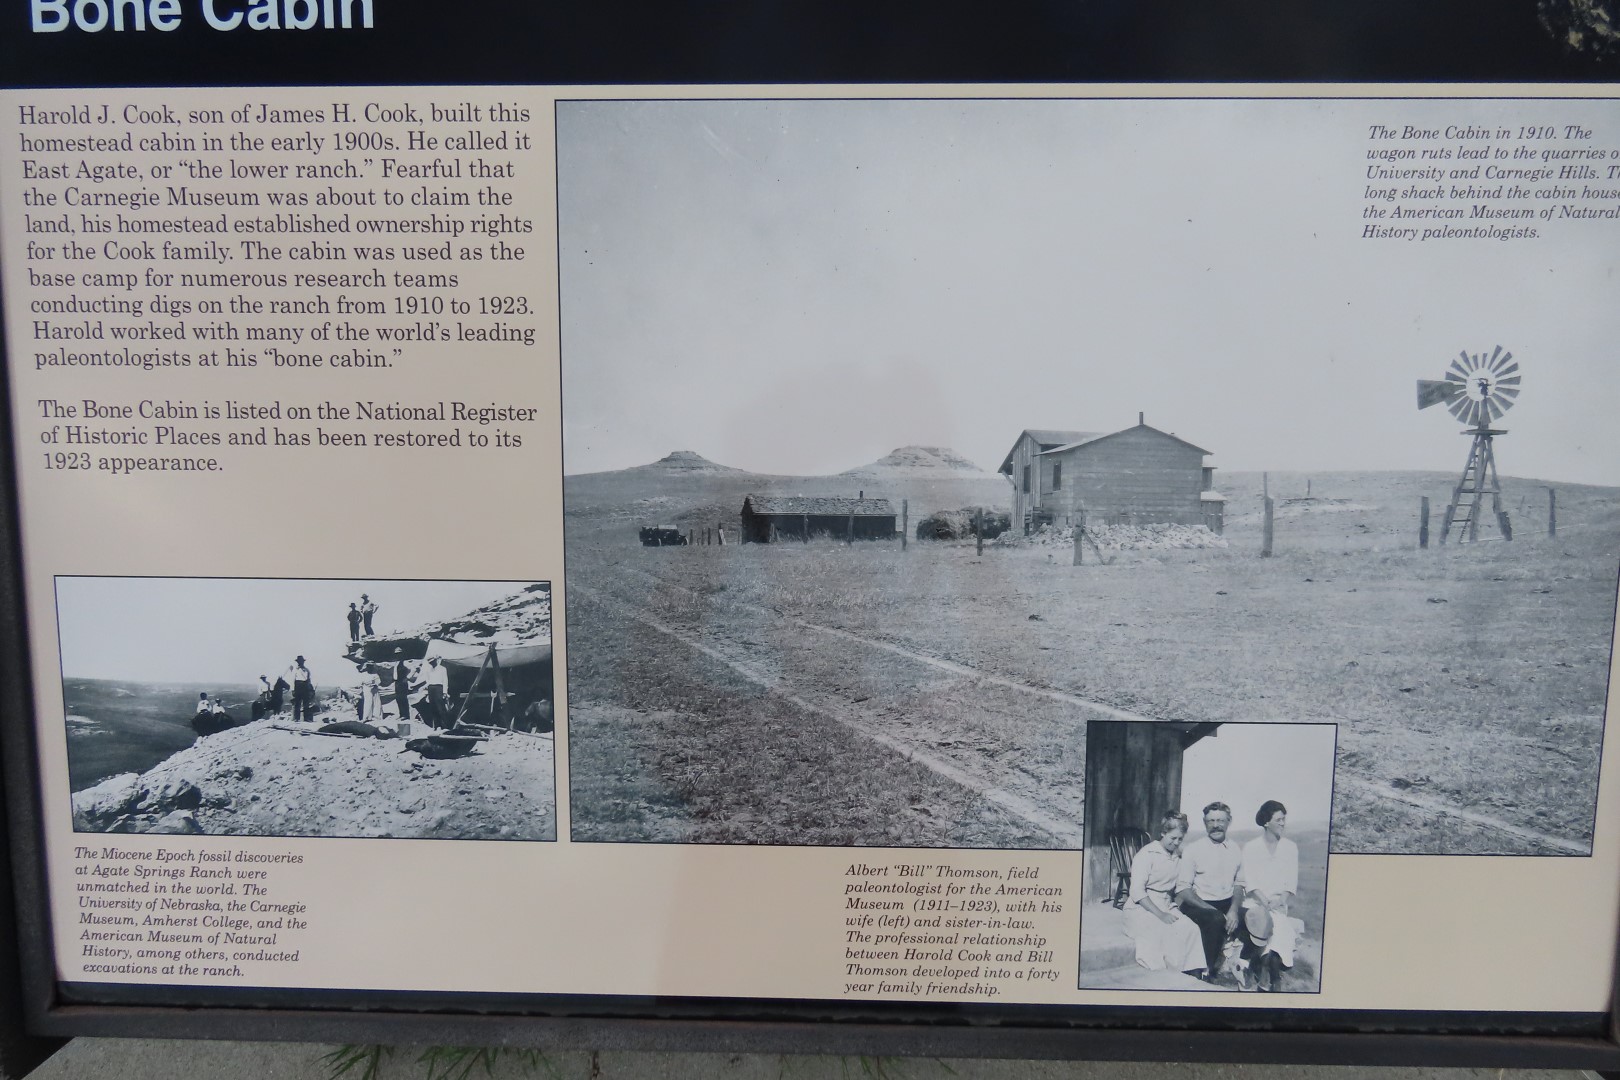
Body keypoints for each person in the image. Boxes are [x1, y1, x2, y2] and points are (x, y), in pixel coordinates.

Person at [1122, 810, 1207, 977]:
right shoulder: (1147, 854)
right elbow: (1137, 891)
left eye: (1180, 839)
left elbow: (1182, 884)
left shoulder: (1179, 855)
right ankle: (1167, 975)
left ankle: (1192, 973)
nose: (1176, 843)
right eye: (1172, 838)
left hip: (1166, 904)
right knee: (1161, 929)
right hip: (1141, 908)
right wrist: (1160, 914)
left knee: (1191, 928)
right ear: (1163, 833)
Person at [1175, 801, 1245, 981]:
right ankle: (1205, 971)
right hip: (1197, 904)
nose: (1216, 825)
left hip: (1226, 903)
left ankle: (1246, 969)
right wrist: (1211, 910)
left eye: (1221, 820)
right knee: (1214, 919)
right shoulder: (1193, 849)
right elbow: (1183, 889)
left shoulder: (1236, 849)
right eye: (1211, 821)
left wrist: (1234, 910)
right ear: (1205, 823)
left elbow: (1239, 884)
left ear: (1229, 821)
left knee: (1254, 917)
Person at [1240, 800, 1303, 992]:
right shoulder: (1251, 847)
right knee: (1269, 924)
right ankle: (1271, 978)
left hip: (1278, 905)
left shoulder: (1290, 847)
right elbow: (1250, 882)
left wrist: (1280, 900)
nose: (1283, 823)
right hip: (1255, 904)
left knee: (1280, 928)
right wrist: (1264, 901)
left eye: (1284, 819)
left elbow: (1291, 881)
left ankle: (1265, 973)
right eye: (1279, 819)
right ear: (1267, 822)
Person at [423, 655, 450, 730]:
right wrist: (427, 691)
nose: (431, 664)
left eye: (432, 662)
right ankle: (437, 726)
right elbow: (428, 680)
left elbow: (445, 680)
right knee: (433, 708)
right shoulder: (429, 669)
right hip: (431, 688)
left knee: (440, 708)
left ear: (435, 661)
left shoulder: (442, 669)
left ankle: (445, 726)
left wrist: (445, 692)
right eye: (430, 662)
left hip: (439, 688)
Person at [286, 656, 315, 724]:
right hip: (298, 686)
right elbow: (292, 680)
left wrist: (310, 688)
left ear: (303, 662)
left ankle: (306, 718)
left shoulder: (307, 670)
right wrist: (293, 690)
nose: (300, 663)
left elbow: (309, 680)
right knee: (297, 703)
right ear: (297, 662)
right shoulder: (295, 670)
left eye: (302, 661)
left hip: (305, 686)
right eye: (299, 662)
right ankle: (296, 718)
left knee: (306, 703)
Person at [392, 647, 411, 727]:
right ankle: (401, 714)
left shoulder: (405, 662)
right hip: (397, 682)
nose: (397, 655)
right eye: (396, 654)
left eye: (399, 654)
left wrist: (407, 678)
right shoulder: (396, 663)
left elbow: (412, 669)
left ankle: (405, 715)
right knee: (398, 698)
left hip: (402, 682)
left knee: (403, 698)